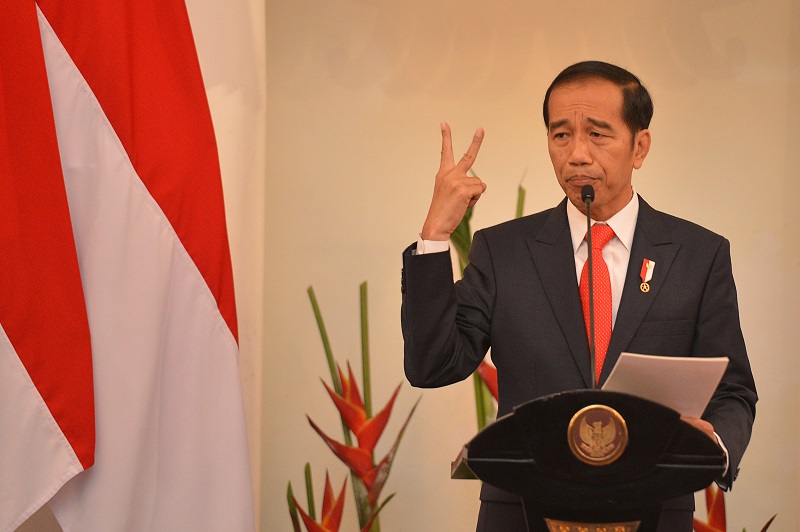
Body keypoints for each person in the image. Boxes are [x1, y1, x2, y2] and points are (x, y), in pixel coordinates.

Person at [400, 61, 757, 531]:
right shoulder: (503, 252)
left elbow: (733, 390)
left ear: (640, 146)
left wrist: (715, 448)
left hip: (652, 511)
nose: (577, 155)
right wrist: (435, 236)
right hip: (523, 515)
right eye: (561, 135)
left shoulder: (698, 255)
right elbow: (433, 364)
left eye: (598, 134)